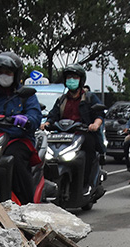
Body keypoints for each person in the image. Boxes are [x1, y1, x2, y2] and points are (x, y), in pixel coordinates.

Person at [0, 51, 42, 204]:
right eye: (1, 72)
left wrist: (26, 120)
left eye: (8, 72)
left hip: (18, 140)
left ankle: (26, 204)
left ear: (15, 74)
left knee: (14, 158)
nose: (4, 75)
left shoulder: (26, 95)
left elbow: (35, 117)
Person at [44, 64, 104, 193]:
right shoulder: (61, 100)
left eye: (75, 77)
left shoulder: (89, 97)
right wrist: (47, 124)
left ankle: (86, 184)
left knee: (88, 150)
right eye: (69, 77)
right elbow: (52, 116)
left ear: (81, 80)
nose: (71, 80)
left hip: (83, 135)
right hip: (63, 136)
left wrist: (95, 124)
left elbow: (99, 115)